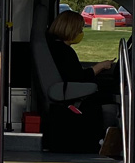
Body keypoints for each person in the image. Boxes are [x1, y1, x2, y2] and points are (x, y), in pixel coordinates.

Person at [42, 10, 118, 155]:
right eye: (79, 29)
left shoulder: (57, 49)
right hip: (69, 98)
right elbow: (80, 79)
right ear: (71, 29)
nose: (81, 33)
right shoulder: (64, 52)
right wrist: (100, 66)